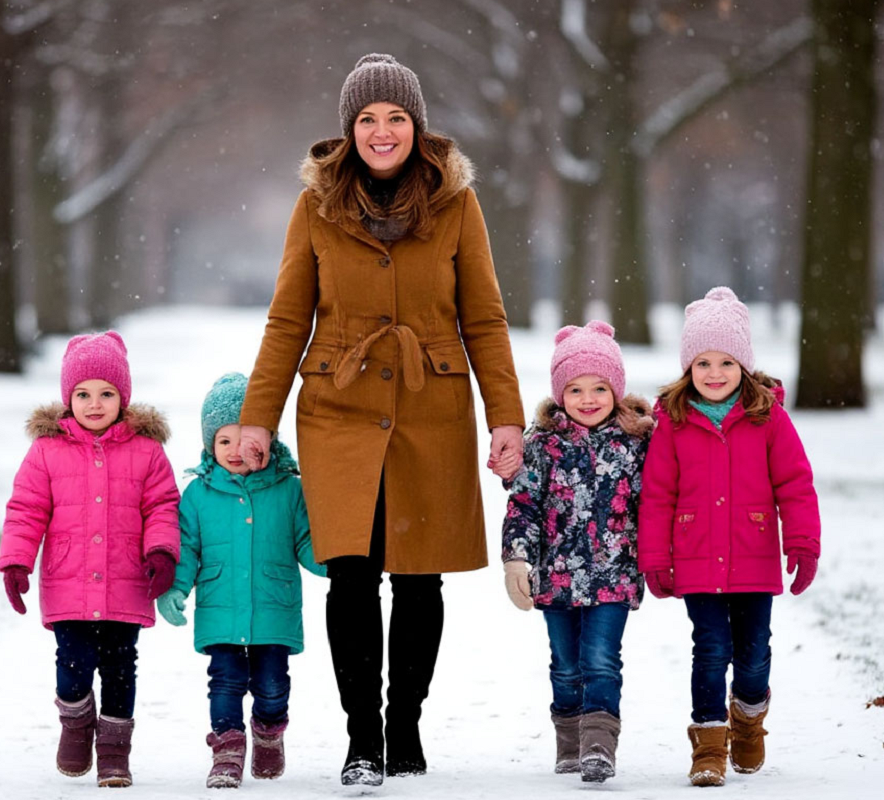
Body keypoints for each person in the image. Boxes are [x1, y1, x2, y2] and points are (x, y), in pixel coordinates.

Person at [236, 53, 526, 785]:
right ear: (348, 130)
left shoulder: (457, 205)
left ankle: (406, 728)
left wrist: (508, 419)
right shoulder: (316, 208)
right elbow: (286, 320)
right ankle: (362, 737)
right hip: (338, 406)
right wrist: (255, 420)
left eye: (396, 117)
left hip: (431, 407)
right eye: (367, 119)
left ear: (418, 128)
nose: (382, 131)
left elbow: (484, 320)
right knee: (352, 577)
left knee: (420, 580)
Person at [637, 287, 821, 787]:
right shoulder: (673, 425)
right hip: (696, 561)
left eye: (725, 362)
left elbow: (795, 484)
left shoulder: (768, 419)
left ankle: (748, 717)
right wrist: (655, 558)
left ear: (743, 365)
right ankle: (709, 746)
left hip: (754, 557)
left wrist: (802, 544)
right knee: (711, 648)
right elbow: (656, 495)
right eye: (702, 363)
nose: (713, 374)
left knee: (755, 651)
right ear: (687, 369)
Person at [0, 331, 181, 788]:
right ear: (67, 398)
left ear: (124, 397)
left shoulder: (147, 451)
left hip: (125, 578)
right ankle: (77, 725)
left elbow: (162, 505)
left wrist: (161, 551)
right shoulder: (46, 451)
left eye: (106, 393)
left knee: (121, 666)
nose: (94, 404)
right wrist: (16, 561)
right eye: (82, 394)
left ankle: (115, 752)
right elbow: (26, 508)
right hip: (69, 580)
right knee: (73, 662)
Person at [501, 321, 653, 784]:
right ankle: (569, 741)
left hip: (615, 575)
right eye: (576, 389)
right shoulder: (543, 446)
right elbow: (523, 505)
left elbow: (657, 502)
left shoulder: (637, 444)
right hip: (558, 576)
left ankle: (599, 747)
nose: (588, 399)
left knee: (602, 659)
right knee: (565, 664)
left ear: (617, 389)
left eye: (600, 388)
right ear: (559, 394)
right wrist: (516, 559)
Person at [157, 373, 326, 789]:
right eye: (224, 440)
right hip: (220, 608)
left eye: (245, 439)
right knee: (225, 682)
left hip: (274, 606)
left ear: (268, 438)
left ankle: (269, 733)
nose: (235, 451)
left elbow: (306, 540)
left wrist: (338, 567)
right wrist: (176, 588)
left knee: (272, 684)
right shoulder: (198, 495)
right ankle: (227, 751)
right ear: (209, 445)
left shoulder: (289, 490)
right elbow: (188, 547)